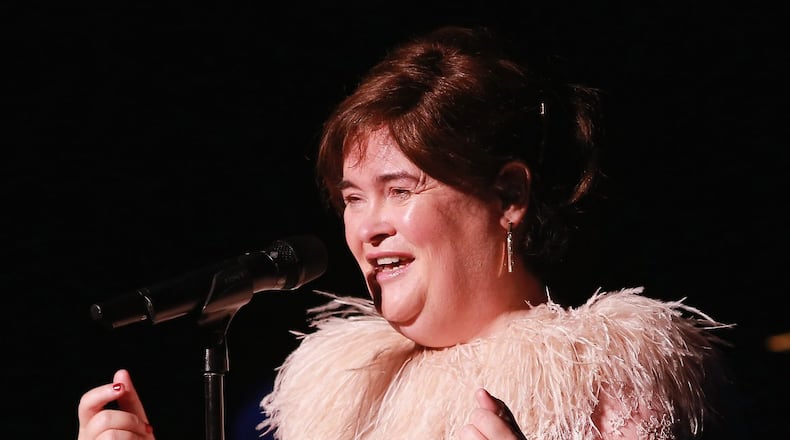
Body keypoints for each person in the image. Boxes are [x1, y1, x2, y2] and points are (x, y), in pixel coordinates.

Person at [77, 25, 732, 440]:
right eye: (352, 198)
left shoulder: (611, 385)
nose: (369, 227)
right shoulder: (326, 396)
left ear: (509, 196)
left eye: (400, 189)